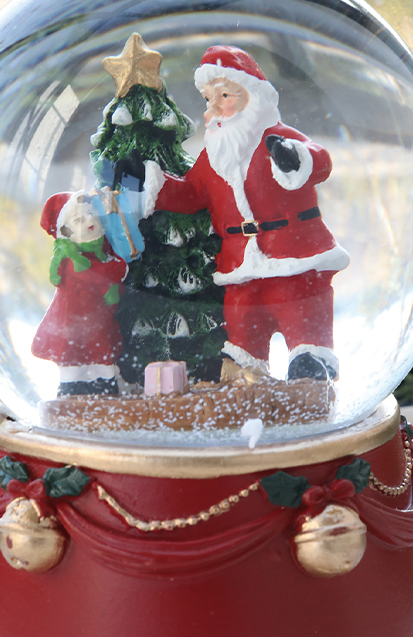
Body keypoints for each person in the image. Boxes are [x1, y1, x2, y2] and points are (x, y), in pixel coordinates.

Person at [128, 45, 349, 382]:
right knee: (242, 319)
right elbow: (191, 193)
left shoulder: (277, 139)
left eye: (225, 95)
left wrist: (293, 159)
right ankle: (245, 371)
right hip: (240, 265)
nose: (214, 107)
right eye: (208, 98)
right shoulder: (216, 154)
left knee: (300, 308)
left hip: (292, 255)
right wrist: (150, 181)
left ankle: (310, 363)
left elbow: (319, 161)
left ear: (253, 96)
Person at [31, 191, 127, 395]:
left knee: (99, 347)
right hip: (73, 320)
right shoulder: (71, 260)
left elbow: (111, 268)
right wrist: (118, 270)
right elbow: (98, 274)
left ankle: (103, 380)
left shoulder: (102, 251)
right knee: (74, 351)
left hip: (96, 318)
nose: (90, 220)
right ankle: (74, 383)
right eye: (79, 219)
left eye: (91, 214)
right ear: (66, 231)